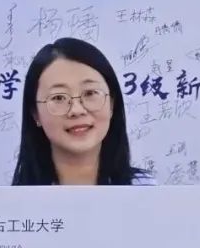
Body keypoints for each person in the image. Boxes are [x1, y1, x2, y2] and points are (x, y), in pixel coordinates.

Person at [12, 37, 154, 186]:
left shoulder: (145, 190)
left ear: (111, 103)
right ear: (35, 113)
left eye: (90, 93)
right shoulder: (16, 198)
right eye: (58, 97)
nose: (77, 110)